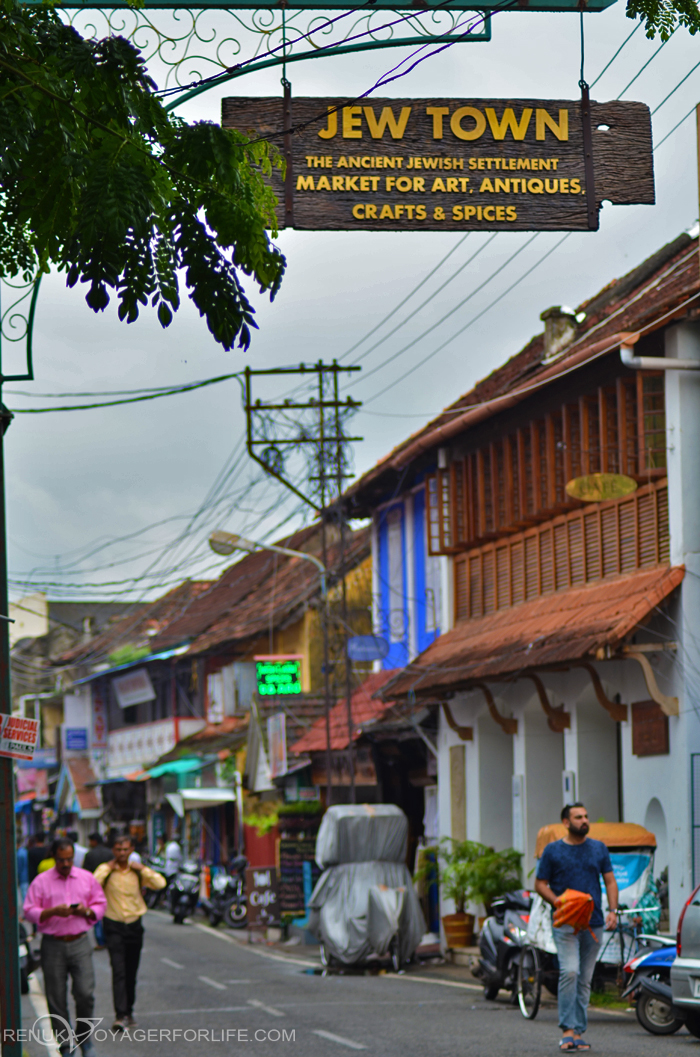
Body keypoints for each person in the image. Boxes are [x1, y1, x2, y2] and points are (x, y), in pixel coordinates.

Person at [535, 803, 619, 1052]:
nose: (584, 820)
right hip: (566, 923)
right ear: (566, 822)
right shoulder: (552, 851)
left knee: (585, 978)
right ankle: (567, 1031)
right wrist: (558, 901)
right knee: (569, 971)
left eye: (586, 816)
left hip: (594, 923)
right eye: (578, 817)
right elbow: (540, 884)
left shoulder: (598, 848)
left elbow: (610, 881)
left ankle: (579, 1032)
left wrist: (613, 911)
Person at [23, 837, 107, 1057]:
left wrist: (85, 911)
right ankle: (65, 1044)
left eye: (69, 859)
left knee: (85, 993)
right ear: (54, 858)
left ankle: (85, 1039)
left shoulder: (86, 878)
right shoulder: (41, 881)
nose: (66, 864)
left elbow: (100, 904)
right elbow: (28, 910)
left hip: (80, 941)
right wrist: (52, 912)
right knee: (56, 997)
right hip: (53, 945)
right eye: (61, 860)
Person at [94, 833, 166, 1031]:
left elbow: (160, 883)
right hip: (113, 924)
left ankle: (129, 1011)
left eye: (126, 849)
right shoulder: (106, 869)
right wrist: (107, 868)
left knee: (131, 970)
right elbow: (92, 885)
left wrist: (142, 869)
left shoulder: (137, 872)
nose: (122, 853)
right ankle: (119, 1015)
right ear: (113, 850)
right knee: (118, 970)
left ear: (131, 849)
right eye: (118, 849)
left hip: (134, 925)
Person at [83, 834, 113, 951]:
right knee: (109, 913)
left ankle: (100, 940)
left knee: (96, 914)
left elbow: (86, 873)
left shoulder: (90, 854)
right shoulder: (109, 853)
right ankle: (109, 938)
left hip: (94, 888)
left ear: (94, 841)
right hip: (109, 887)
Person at [17, 834, 29, 903]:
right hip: (26, 876)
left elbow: (19, 868)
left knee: (24, 895)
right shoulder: (25, 851)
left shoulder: (19, 854)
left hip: (23, 878)